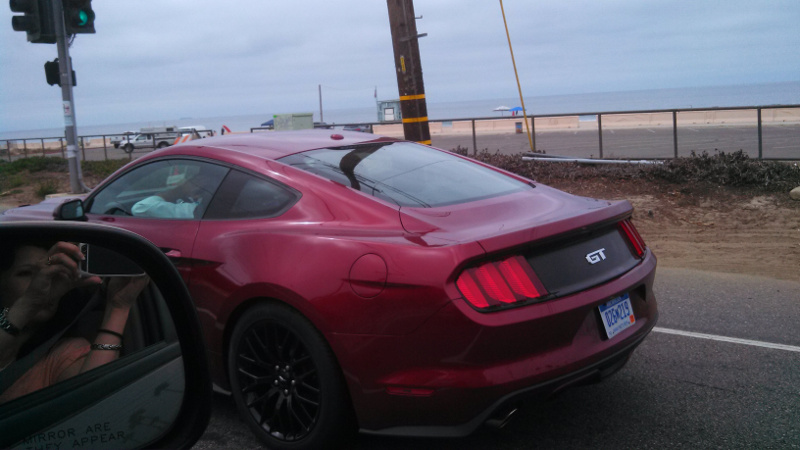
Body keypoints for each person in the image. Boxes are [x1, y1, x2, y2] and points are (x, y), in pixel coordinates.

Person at [0, 241, 148, 403]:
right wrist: (27, 304)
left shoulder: (64, 352)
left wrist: (118, 307)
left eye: (51, 273)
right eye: (26, 273)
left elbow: (93, 400)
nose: (42, 280)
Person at [131, 173, 212, 219]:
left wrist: (180, 190)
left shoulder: (194, 211)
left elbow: (139, 208)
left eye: (195, 181)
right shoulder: (205, 206)